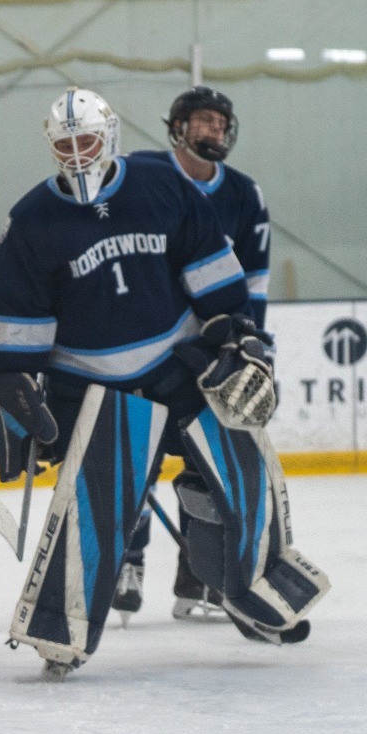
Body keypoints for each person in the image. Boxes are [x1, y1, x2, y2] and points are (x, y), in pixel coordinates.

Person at [0, 86, 328, 679]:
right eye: (66, 145)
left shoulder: (161, 186)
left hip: (178, 366)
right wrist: (17, 387)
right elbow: (17, 322)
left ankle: (254, 594)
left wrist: (237, 334)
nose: (79, 154)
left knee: (244, 472)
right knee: (95, 505)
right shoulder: (32, 219)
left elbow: (211, 271)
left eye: (88, 141)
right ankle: (60, 630)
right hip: (93, 385)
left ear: (110, 135)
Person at [117, 87, 272, 624]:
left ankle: (199, 580)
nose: (215, 130)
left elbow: (253, 281)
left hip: (209, 353)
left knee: (207, 467)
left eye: (221, 122)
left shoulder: (244, 194)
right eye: (204, 120)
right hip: (143, 346)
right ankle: (127, 564)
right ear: (178, 126)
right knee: (136, 458)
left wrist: (252, 346)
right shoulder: (141, 174)